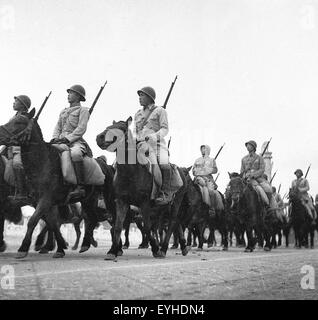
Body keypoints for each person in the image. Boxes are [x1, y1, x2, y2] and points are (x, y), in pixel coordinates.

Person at [51, 84, 91, 200]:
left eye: (71, 93)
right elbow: (58, 127)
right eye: (68, 93)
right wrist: (55, 138)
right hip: (60, 141)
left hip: (75, 141)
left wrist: (68, 139)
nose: (68, 95)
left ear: (78, 96)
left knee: (76, 154)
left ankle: (80, 186)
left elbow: (81, 128)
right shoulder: (63, 111)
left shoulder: (83, 111)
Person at [134, 86, 170, 205]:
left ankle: (163, 192)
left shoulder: (160, 111)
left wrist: (154, 136)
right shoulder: (138, 114)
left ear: (150, 97)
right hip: (140, 144)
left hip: (156, 144)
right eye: (139, 96)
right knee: (119, 161)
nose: (139, 98)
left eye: (142, 95)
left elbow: (165, 129)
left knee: (164, 164)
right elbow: (135, 131)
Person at [7, 95, 32, 205]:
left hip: (20, 148)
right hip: (9, 147)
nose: (13, 103)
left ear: (23, 105)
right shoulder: (14, 117)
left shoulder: (24, 118)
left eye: (16, 101)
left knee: (17, 163)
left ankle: (22, 193)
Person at [240, 140, 276, 211]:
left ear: (253, 147)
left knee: (267, 189)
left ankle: (267, 205)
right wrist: (244, 176)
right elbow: (242, 170)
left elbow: (262, 169)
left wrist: (253, 175)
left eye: (249, 145)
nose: (247, 147)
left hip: (257, 179)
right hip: (245, 179)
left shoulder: (259, 158)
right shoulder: (243, 159)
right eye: (247, 145)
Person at [192, 144, 223, 212]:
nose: (203, 150)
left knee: (211, 191)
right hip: (198, 178)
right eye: (202, 149)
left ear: (208, 150)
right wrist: (198, 172)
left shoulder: (212, 160)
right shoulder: (197, 160)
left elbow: (215, 170)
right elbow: (193, 170)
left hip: (208, 179)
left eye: (204, 148)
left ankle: (211, 209)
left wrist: (209, 170)